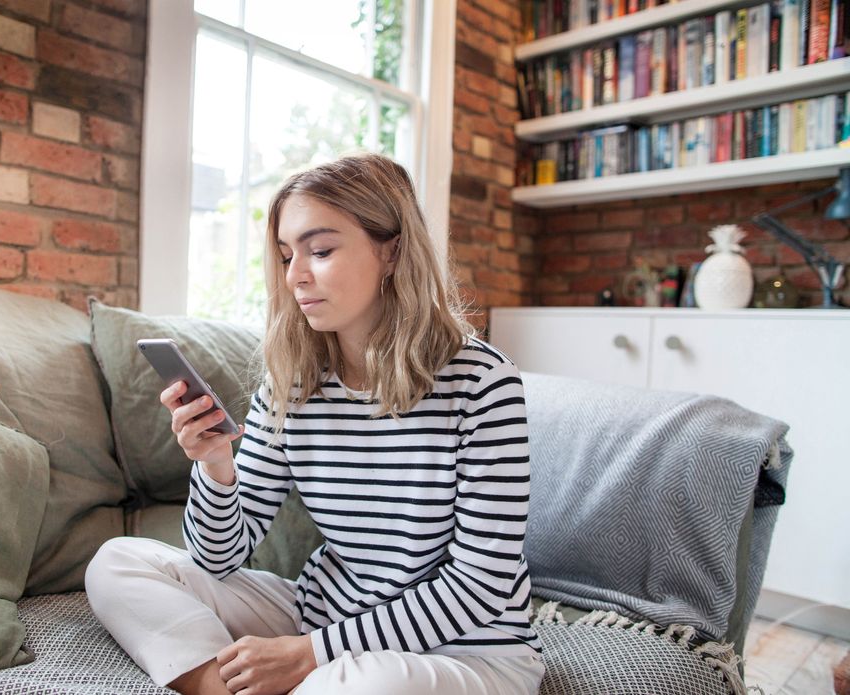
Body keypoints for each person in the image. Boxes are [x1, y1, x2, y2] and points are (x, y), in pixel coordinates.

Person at [85, 153, 545, 695]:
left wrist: (309, 655)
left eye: (321, 250)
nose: (296, 275)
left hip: (466, 652)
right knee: (118, 562)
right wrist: (215, 466)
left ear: (392, 249)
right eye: (286, 255)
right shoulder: (293, 384)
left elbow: (480, 587)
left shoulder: (483, 382)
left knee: (367, 686)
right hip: (322, 619)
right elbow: (218, 557)